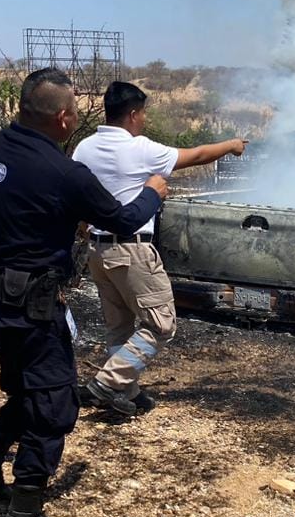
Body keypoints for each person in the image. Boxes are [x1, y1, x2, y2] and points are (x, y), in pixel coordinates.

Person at [0, 68, 169, 517]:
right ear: (66, 117)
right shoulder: (65, 172)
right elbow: (126, 218)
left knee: (28, 391)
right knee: (53, 404)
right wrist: (154, 189)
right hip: (34, 302)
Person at [71, 81, 246, 416]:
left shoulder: (84, 148)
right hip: (132, 251)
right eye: (144, 113)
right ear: (133, 114)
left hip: (96, 250)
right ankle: (107, 383)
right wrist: (231, 145)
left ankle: (128, 393)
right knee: (161, 323)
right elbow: (196, 155)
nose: (145, 119)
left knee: (119, 326)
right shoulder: (140, 149)